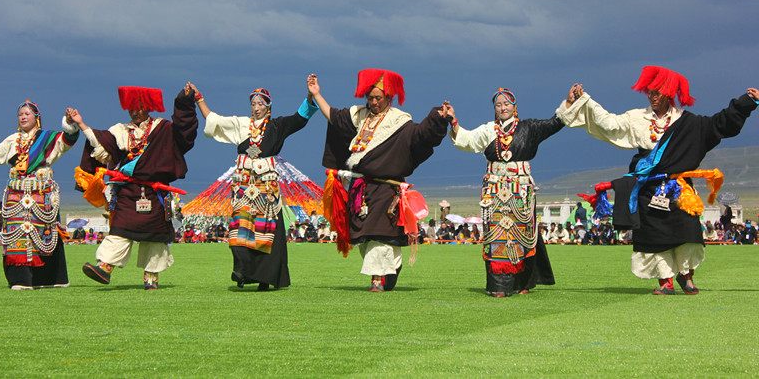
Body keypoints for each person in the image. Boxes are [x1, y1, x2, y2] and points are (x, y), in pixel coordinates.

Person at [558, 66, 758, 295]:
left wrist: (747, 102)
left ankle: (687, 276)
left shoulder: (689, 122)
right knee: (654, 235)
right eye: (650, 92)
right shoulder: (637, 118)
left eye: (657, 93)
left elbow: (720, 124)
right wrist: (585, 100)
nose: (652, 97)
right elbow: (608, 123)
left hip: (680, 190)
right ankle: (666, 281)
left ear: (669, 94)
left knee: (688, 232)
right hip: (649, 189)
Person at [308, 70, 451, 292]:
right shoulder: (360, 116)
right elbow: (334, 117)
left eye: (378, 98)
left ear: (389, 98)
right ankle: (391, 270)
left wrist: (438, 118)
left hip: (387, 190)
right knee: (364, 238)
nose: (373, 102)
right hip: (361, 190)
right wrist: (316, 94)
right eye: (370, 98)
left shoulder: (399, 121)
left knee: (379, 237)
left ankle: (377, 280)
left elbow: (422, 135)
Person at [191, 83, 318, 291]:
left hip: (266, 188)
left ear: (268, 106)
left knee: (266, 232)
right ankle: (242, 270)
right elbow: (214, 120)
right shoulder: (241, 124)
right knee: (238, 228)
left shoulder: (276, 126)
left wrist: (310, 95)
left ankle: (264, 278)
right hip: (243, 186)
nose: (256, 107)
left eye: (260, 103)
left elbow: (299, 118)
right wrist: (199, 99)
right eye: (253, 103)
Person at [74, 84, 198, 290]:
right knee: (120, 229)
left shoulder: (163, 128)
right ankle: (104, 267)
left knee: (155, 236)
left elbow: (184, 133)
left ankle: (151, 277)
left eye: (139, 107)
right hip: (129, 191)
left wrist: (184, 101)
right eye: (131, 108)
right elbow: (100, 143)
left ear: (148, 107)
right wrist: (81, 124)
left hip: (156, 192)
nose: (135, 111)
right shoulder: (120, 130)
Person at [445, 87, 561, 296]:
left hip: (521, 190)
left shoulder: (530, 128)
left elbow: (554, 123)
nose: (502, 108)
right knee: (496, 236)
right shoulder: (489, 130)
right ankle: (499, 286)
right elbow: (467, 140)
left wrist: (570, 104)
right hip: (495, 190)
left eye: (506, 104)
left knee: (522, 234)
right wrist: (453, 121)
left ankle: (522, 283)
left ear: (514, 107)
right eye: (498, 105)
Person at [0, 100, 80, 289]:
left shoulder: (47, 138)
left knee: (45, 234)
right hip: (16, 194)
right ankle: (20, 279)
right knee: (16, 233)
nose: (23, 117)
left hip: (41, 194)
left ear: (36, 118)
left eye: (27, 114)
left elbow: (67, 140)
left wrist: (70, 122)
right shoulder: (12, 140)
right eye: (20, 114)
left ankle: (47, 279)